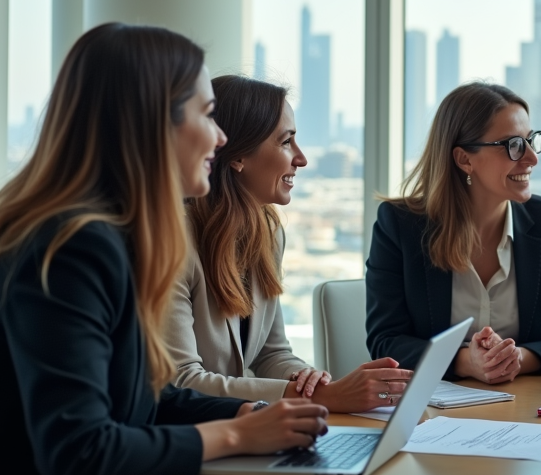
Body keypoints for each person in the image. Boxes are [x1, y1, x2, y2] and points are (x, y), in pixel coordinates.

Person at [0, 24, 328, 475]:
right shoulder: (71, 246)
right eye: (206, 115)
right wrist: (237, 436)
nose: (219, 137)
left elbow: (141, 396)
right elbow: (79, 452)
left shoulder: (111, 235)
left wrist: (245, 413)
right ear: (153, 124)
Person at [167, 75, 412, 413]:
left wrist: (309, 381)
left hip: (243, 428)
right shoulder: (174, 240)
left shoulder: (267, 233)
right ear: (238, 156)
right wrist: (320, 397)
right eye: (286, 142)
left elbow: (271, 353)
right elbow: (180, 380)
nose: (301, 158)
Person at [366, 82, 541, 384]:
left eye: (530, 141)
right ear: (464, 159)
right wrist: (465, 362)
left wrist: (517, 359)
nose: (532, 158)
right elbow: (385, 340)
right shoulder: (400, 225)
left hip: (526, 406)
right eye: (513, 145)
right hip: (434, 413)